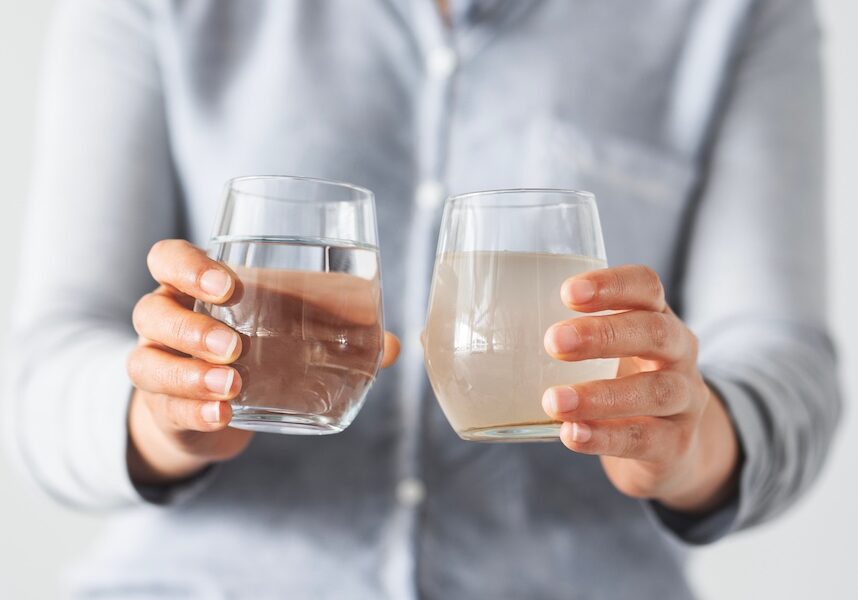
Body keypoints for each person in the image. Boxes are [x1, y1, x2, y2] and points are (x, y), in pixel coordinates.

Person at [5, 0, 840, 598]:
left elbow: (782, 353)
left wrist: (695, 445)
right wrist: (162, 415)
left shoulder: (735, 14)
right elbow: (46, 367)